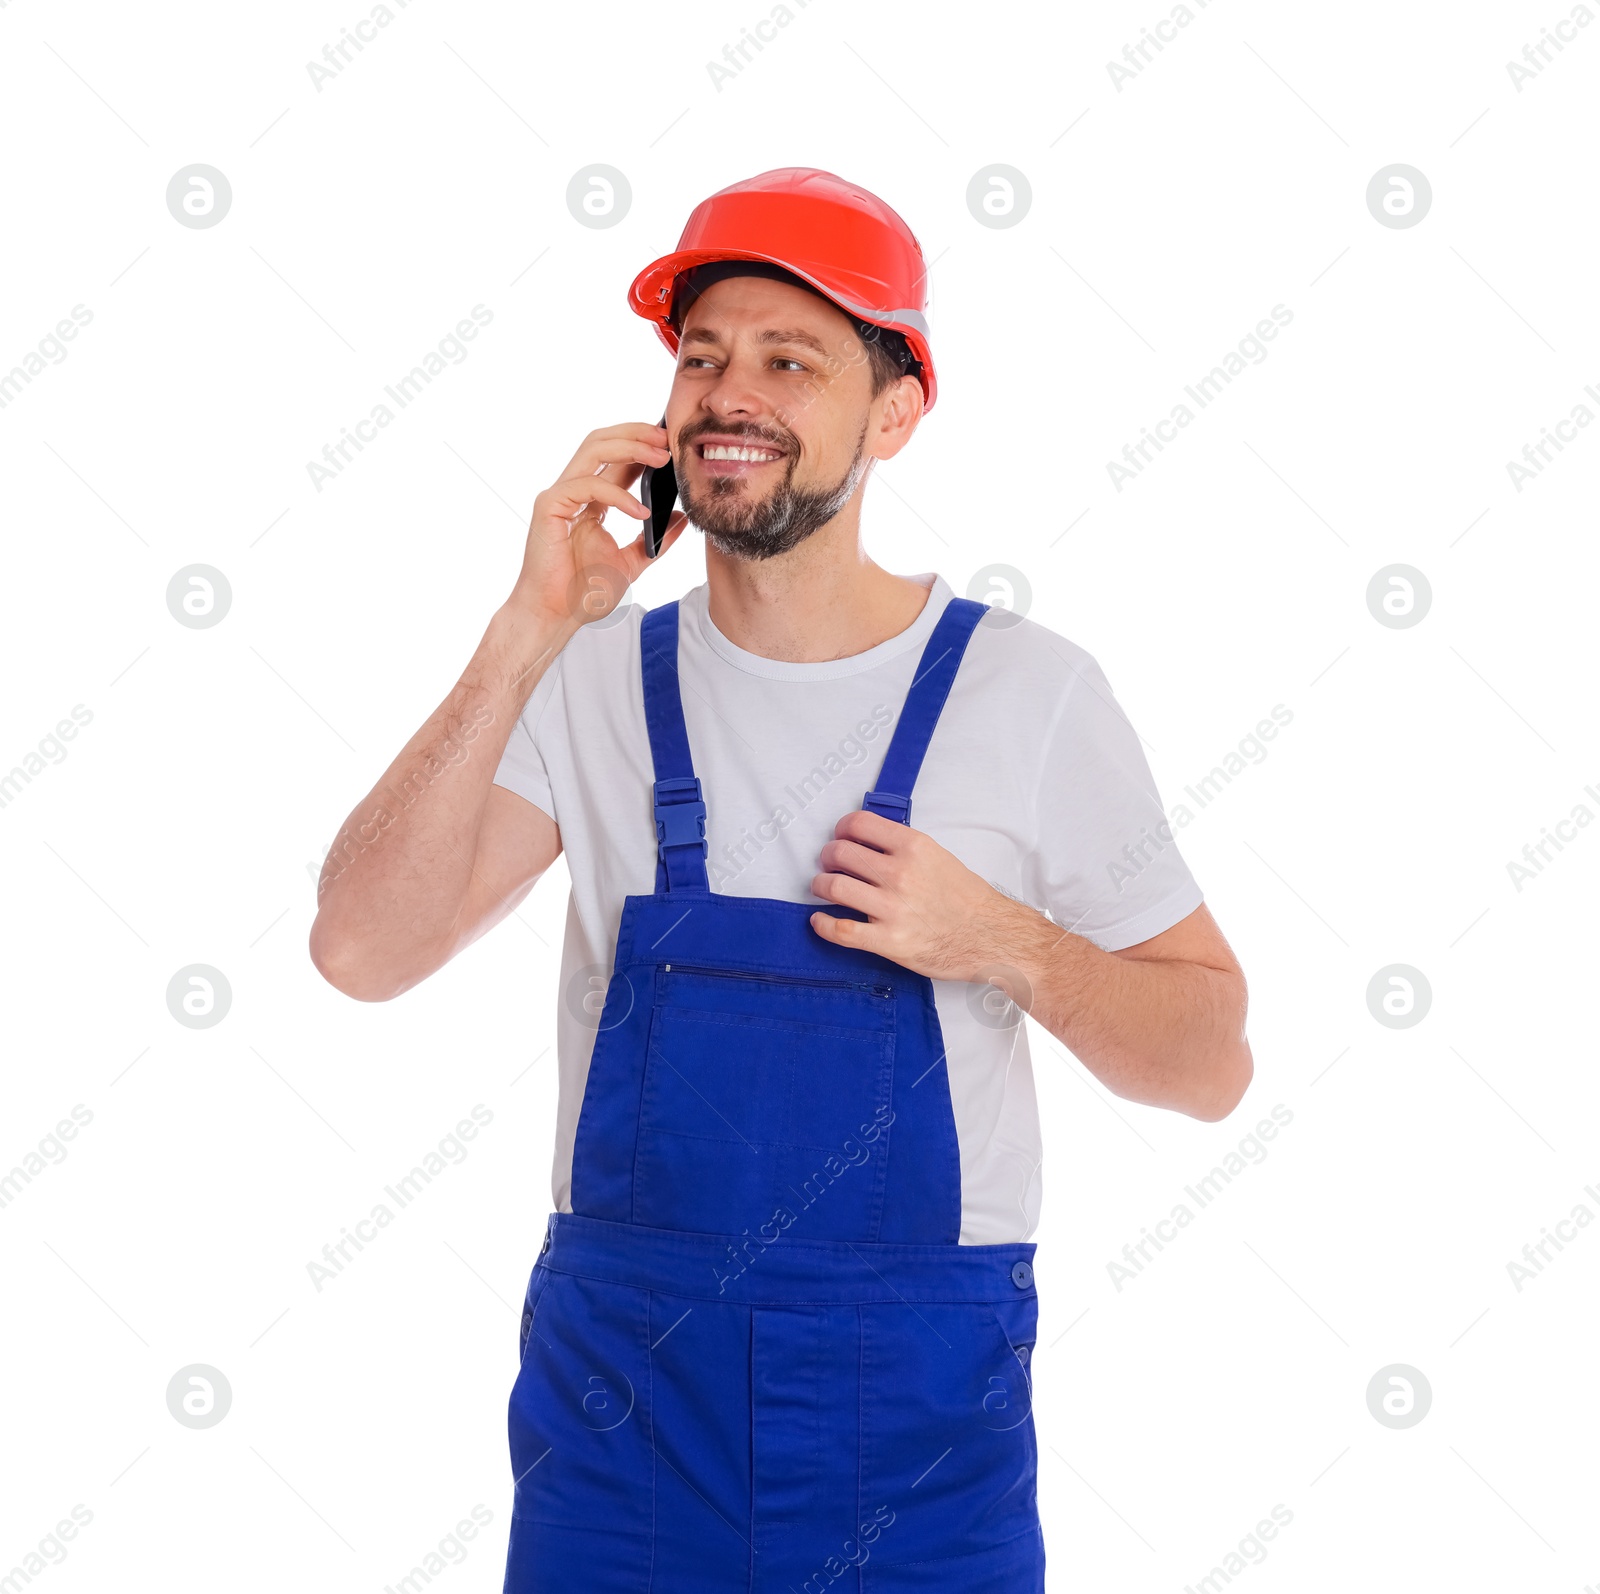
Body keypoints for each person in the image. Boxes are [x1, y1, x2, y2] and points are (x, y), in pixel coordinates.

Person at [310, 167, 1253, 1592]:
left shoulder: (1029, 696)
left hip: (920, 1444)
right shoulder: (591, 682)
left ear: (895, 411)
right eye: (701, 358)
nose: (728, 393)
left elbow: (1213, 1061)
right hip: (625, 1428)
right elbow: (360, 951)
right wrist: (531, 623)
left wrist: (1004, 940)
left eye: (789, 359)